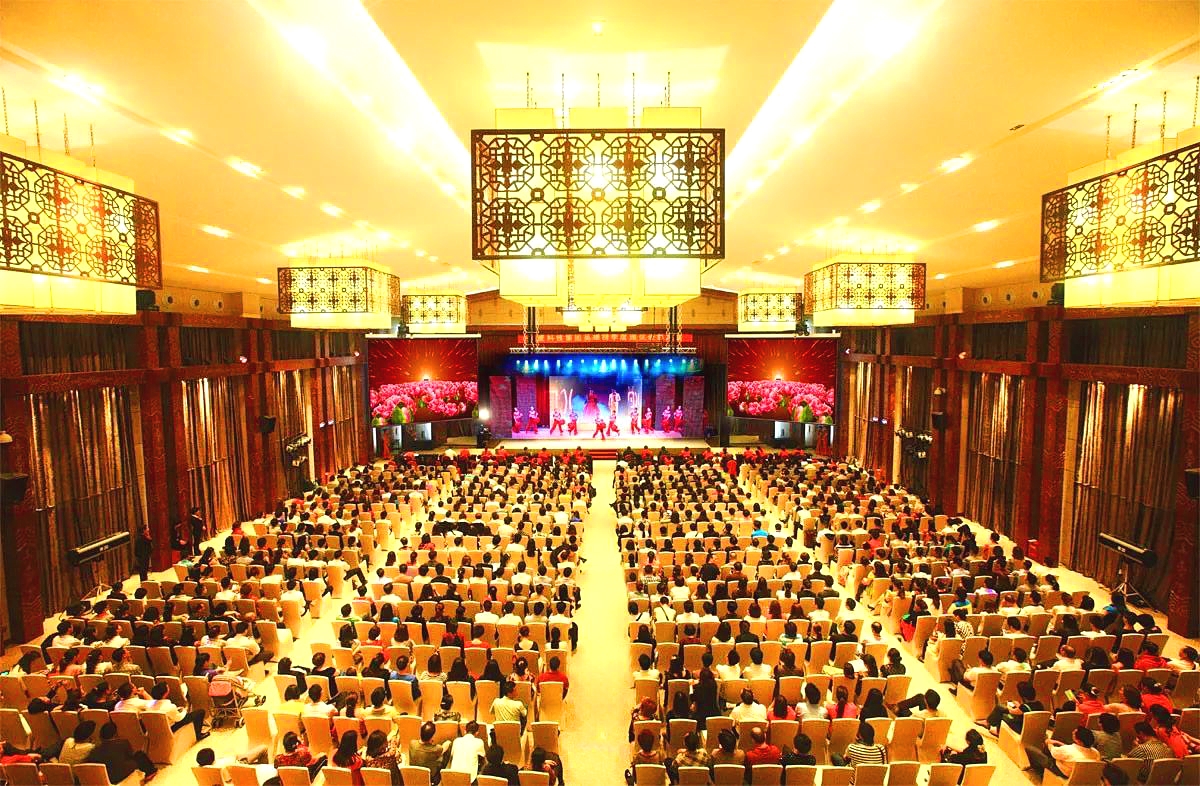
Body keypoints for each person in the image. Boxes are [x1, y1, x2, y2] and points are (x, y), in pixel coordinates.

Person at [87, 721, 157, 782]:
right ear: (115, 733)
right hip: (119, 773)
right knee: (139, 755)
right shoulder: (122, 743)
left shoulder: (95, 750)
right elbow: (131, 755)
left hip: (105, 776)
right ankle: (150, 772)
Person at [1026, 725, 1100, 779]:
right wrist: (1058, 742)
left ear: (1079, 741)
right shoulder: (1096, 752)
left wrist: (1048, 742)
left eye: (1074, 733)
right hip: (1078, 775)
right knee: (1059, 743)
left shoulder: (1068, 750)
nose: (1072, 733)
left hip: (1063, 772)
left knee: (1030, 749)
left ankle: (1039, 771)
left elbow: (1053, 752)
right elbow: (1071, 749)